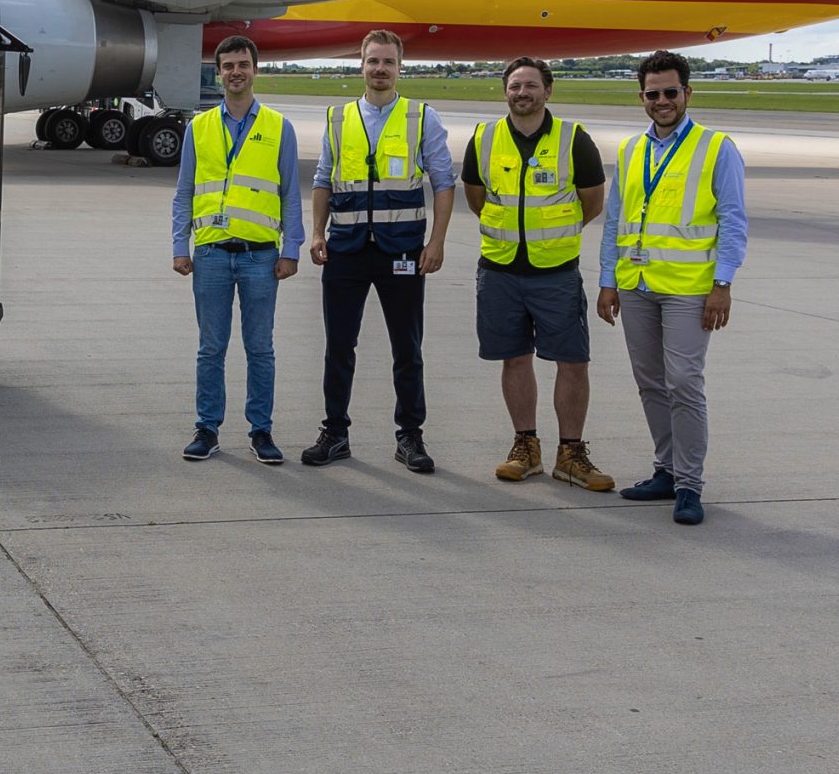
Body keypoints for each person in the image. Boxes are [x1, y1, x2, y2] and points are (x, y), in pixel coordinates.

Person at [597, 50, 748, 527]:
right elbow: (615, 221)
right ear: (641, 97)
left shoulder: (716, 147)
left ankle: (689, 484)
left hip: (688, 288)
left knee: (683, 382)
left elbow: (734, 220)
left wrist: (723, 283)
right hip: (636, 284)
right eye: (652, 93)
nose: (661, 101)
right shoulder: (631, 150)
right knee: (649, 381)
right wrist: (607, 281)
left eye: (670, 92)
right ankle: (665, 469)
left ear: (687, 93)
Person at [298, 29, 449, 471]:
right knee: (338, 347)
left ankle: (410, 435)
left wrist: (436, 242)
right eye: (373, 61)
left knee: (407, 348)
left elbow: (443, 183)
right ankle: (335, 432)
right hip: (345, 250)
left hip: (401, 251)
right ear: (361, 65)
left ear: (400, 68)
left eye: (388, 62)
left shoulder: (421, 117)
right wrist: (318, 233)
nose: (380, 69)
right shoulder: (338, 118)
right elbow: (323, 179)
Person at [460, 57, 611, 490]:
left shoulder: (573, 139)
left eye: (530, 85)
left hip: (556, 272)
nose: (522, 93)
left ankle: (571, 453)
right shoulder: (484, 138)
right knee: (514, 357)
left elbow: (592, 202)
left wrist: (550, 235)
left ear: (548, 91)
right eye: (515, 86)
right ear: (505, 92)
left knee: (573, 361)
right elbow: (476, 197)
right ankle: (525, 446)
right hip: (500, 269)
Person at [173, 34, 303, 463]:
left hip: (260, 256)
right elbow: (184, 191)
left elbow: (290, 193)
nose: (235, 72)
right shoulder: (198, 127)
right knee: (210, 348)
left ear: (255, 70)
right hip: (210, 254)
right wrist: (179, 245)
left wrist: (291, 248)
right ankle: (207, 428)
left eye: (243, 64)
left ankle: (261, 430)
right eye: (228, 65)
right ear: (218, 72)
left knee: (260, 348)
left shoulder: (279, 127)